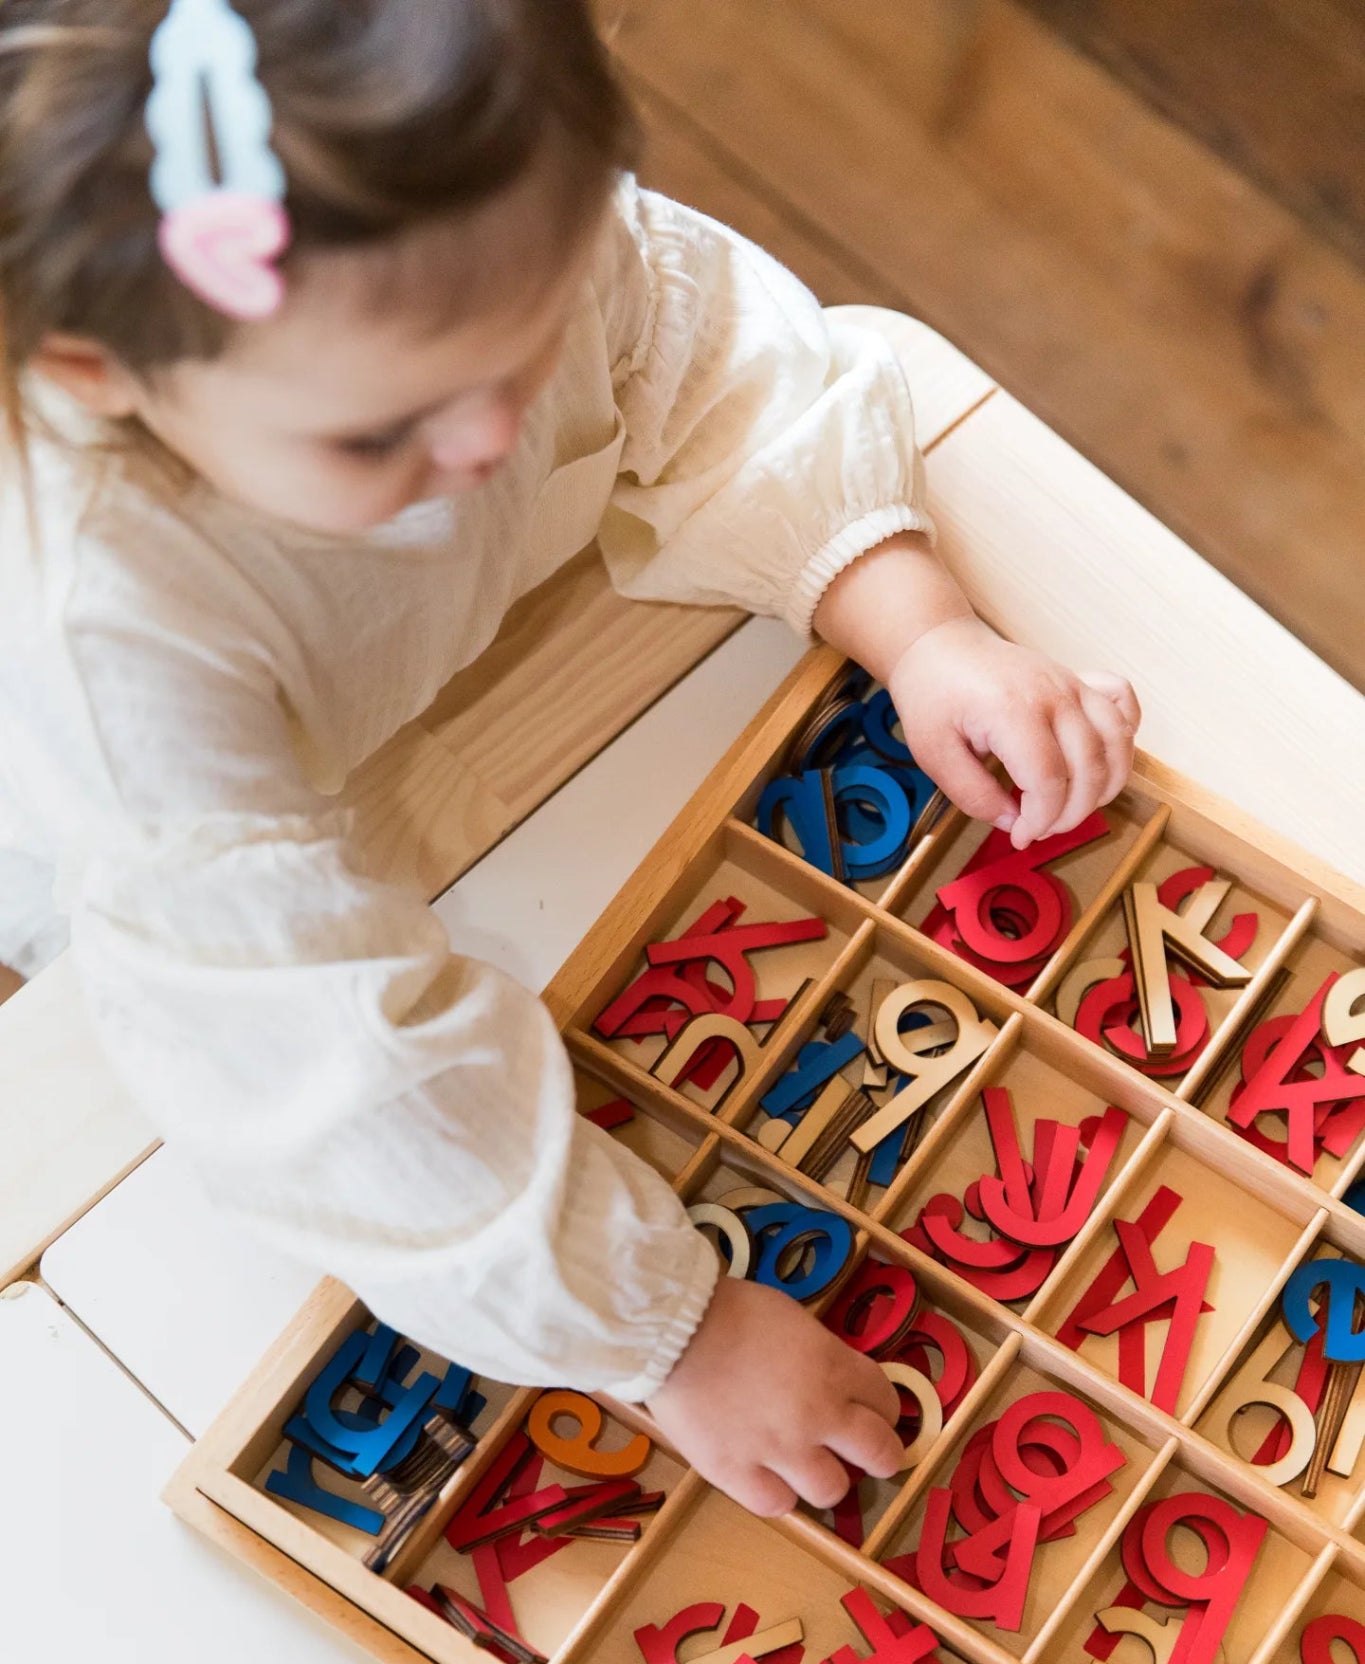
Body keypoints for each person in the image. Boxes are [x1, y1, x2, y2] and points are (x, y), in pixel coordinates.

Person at [0, 0, 1138, 1516]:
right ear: (98, 371)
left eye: (522, 358)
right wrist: (666, 1331)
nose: (482, 444)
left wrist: (916, 627)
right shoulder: (109, 654)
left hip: (431, 713)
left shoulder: (464, 225)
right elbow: (306, 1060)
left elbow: (699, 353)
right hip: (118, 852)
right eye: (385, 431)